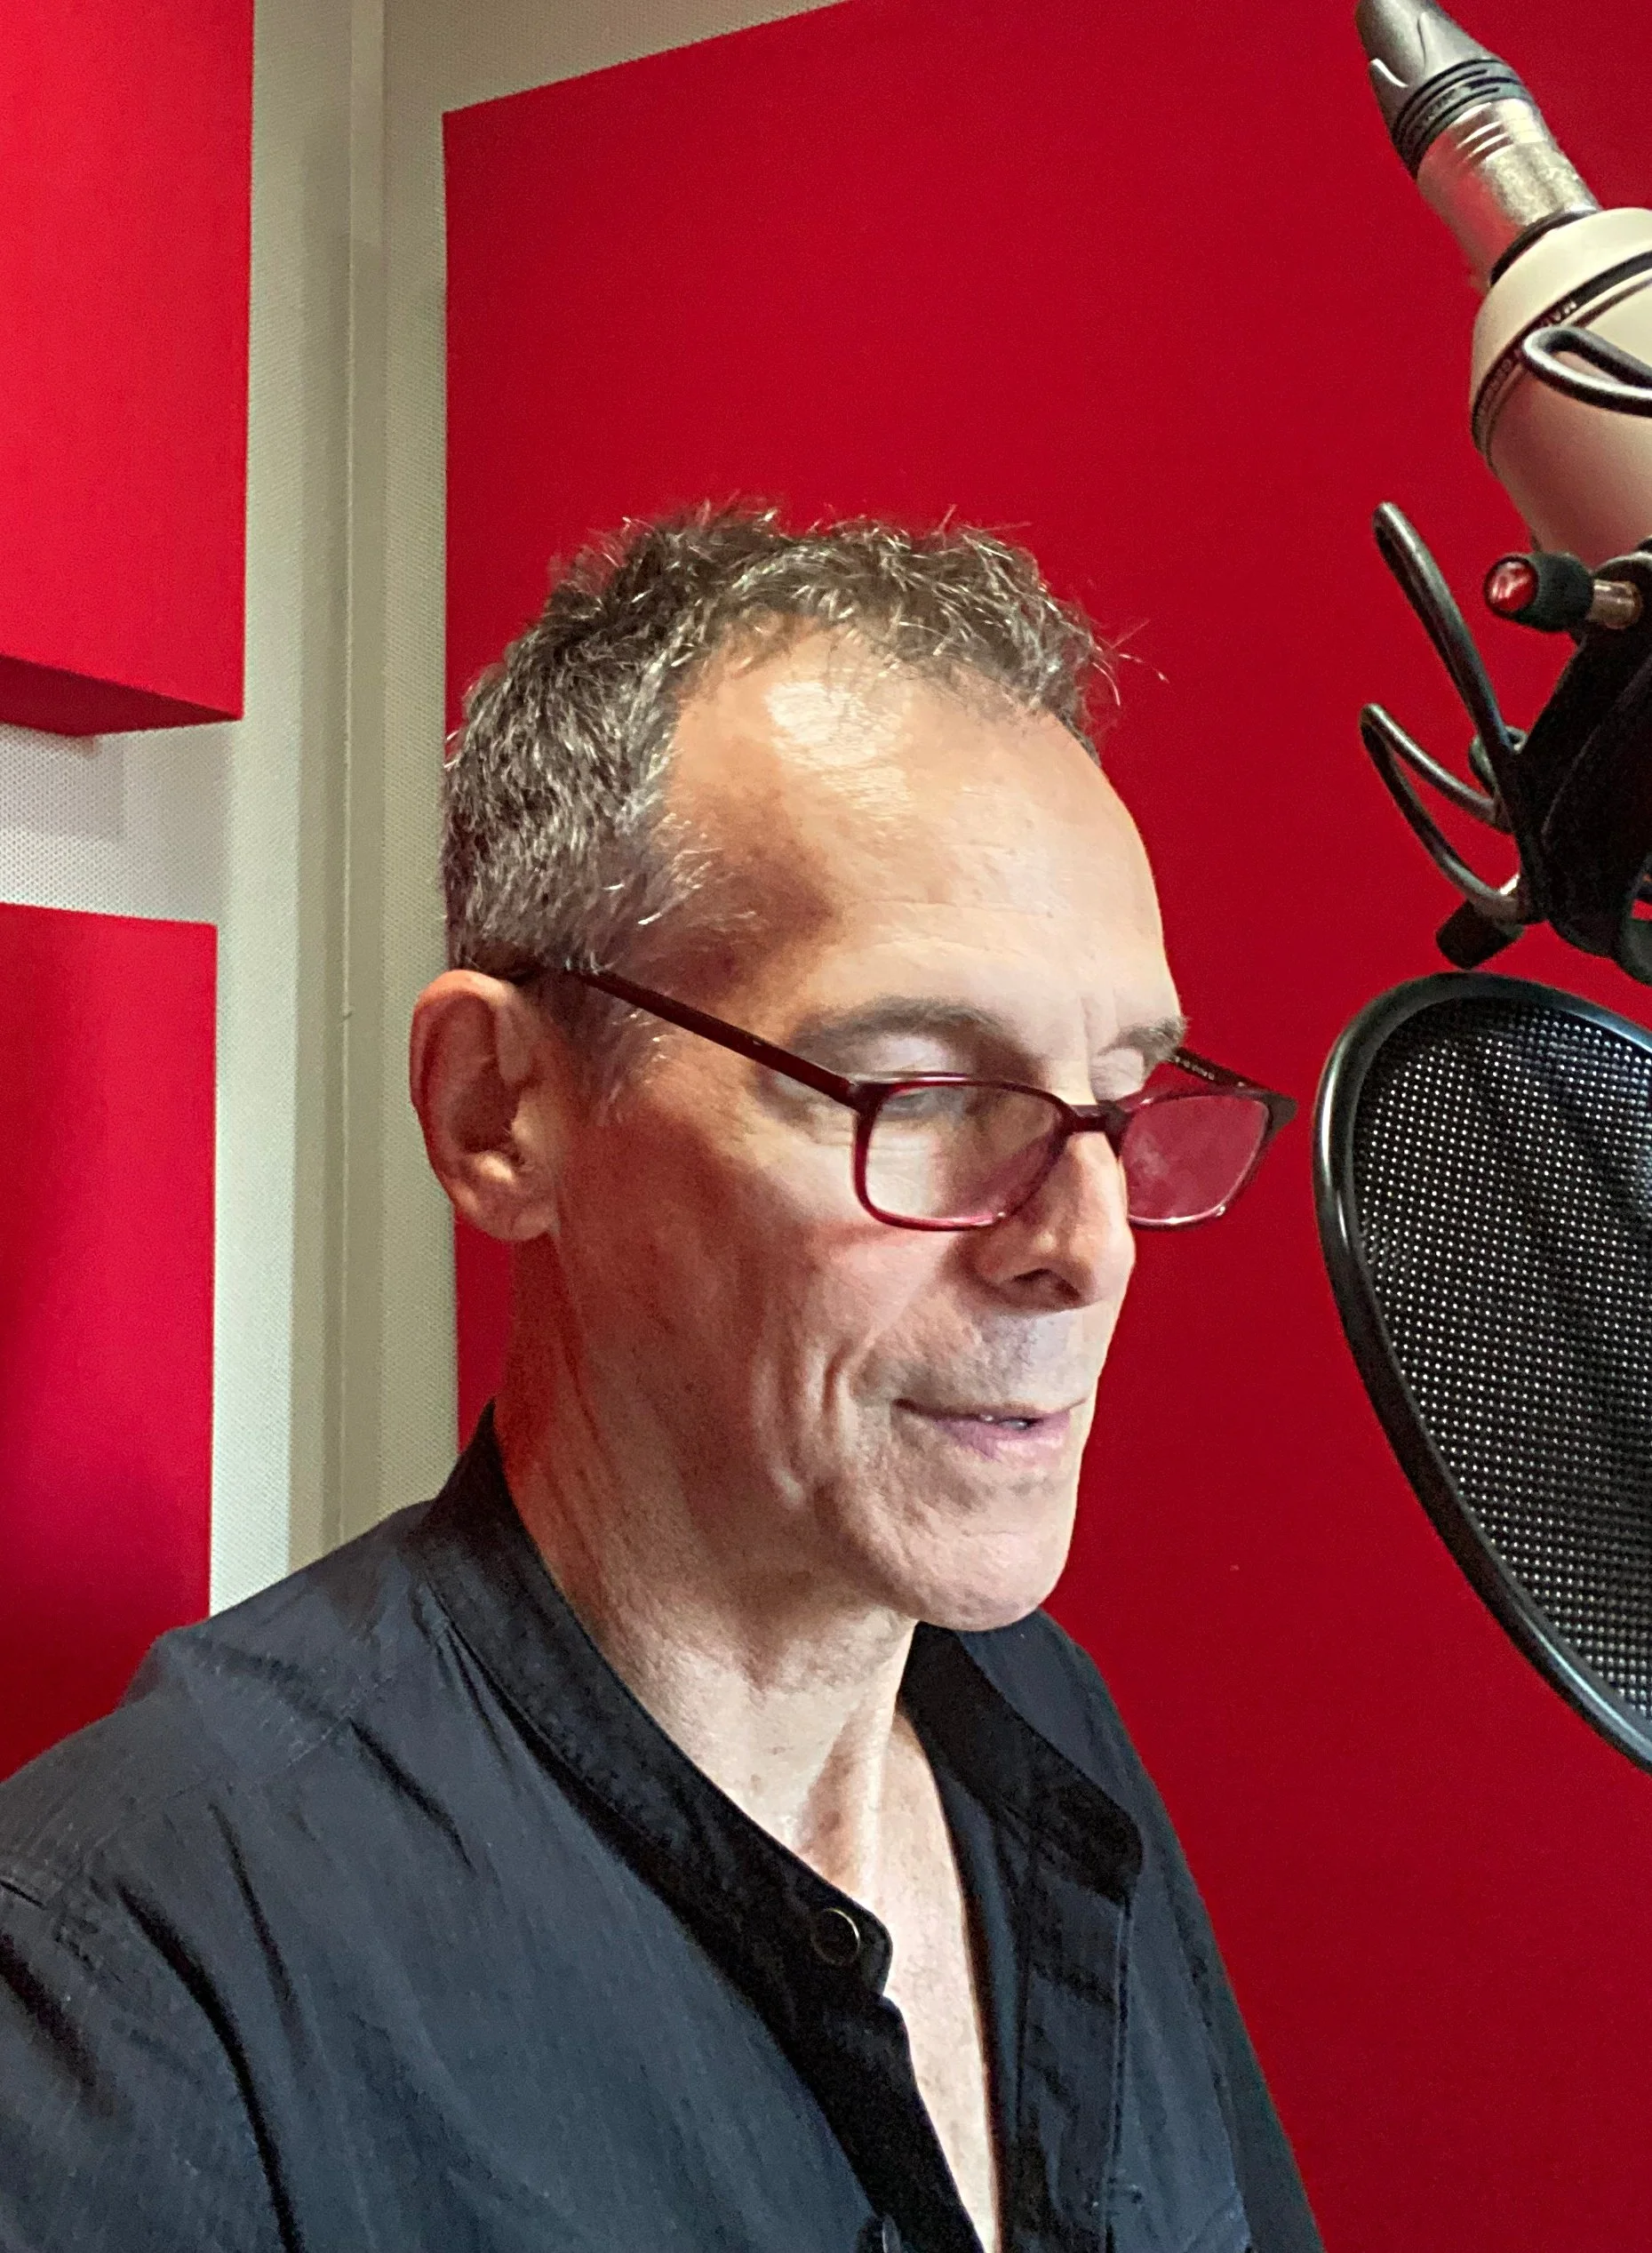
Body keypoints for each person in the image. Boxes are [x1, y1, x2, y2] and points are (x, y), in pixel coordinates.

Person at [0, 512, 1317, 2253]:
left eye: (1121, 1100)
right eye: (921, 1092)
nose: (1084, 1247)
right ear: (498, 1112)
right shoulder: (133, 1978)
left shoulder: (1037, 1726)